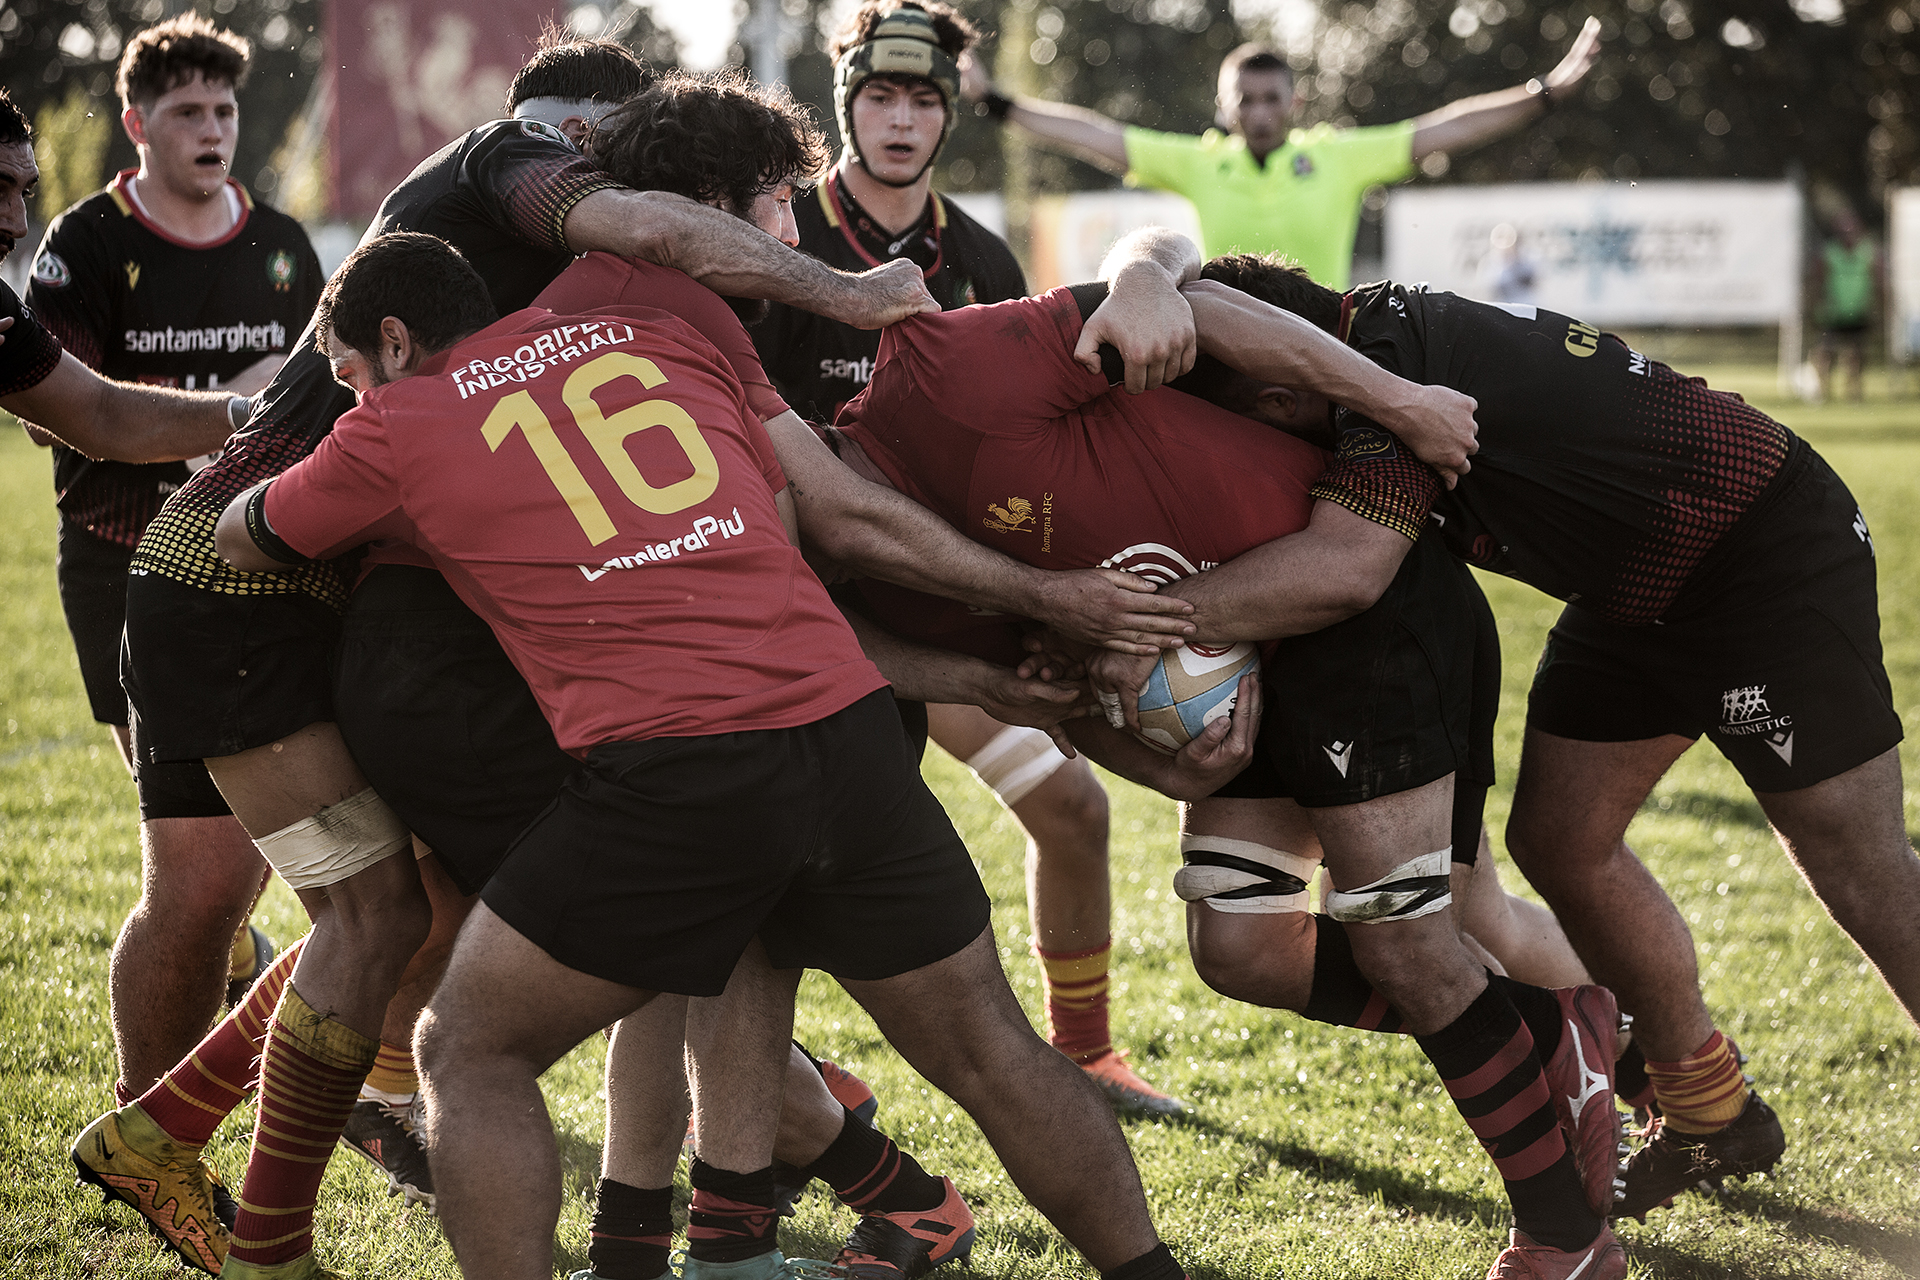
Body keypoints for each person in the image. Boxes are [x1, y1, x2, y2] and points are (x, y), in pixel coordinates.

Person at [217, 228, 1205, 1280]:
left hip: (680, 771)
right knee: (993, 1049)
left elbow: (243, 533)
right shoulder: (655, 337)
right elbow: (784, 529)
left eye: (349, 374)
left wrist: (295, 443)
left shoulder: (398, 420)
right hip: (849, 731)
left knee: (467, 1048)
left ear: (395, 341)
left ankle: (677, 1242)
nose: (354, 395)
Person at [832, 254, 1628, 1280]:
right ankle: (1550, 1027)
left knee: (1408, 947)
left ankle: (1564, 1235)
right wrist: (1169, 770)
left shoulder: (943, 374)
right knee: (1240, 950)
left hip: (1356, 608)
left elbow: (1182, 297)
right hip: (1247, 664)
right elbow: (1070, 692)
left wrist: (1388, 397)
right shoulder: (889, 594)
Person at [1142, 246, 1920, 1226]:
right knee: (1559, 840)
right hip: (1638, 591)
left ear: (1276, 394)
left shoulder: (1380, 381)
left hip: (1763, 553)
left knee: (1862, 868)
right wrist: (1142, 283)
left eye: (1227, 429)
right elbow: (1170, 259)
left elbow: (1345, 570)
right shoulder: (1368, 341)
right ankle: (1710, 1107)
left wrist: (1123, 625)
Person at [752, 0, 1176, 1114]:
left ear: (949, 114)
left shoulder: (978, 255)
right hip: (806, 606)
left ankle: (1088, 1053)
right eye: (880, 97)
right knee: (795, 858)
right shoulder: (780, 233)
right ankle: (771, 1082)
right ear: (846, 104)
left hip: (942, 590)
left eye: (923, 100)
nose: (900, 120)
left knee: (1075, 808)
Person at [24, 12, 320, 1105]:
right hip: (120, 561)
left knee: (222, 835)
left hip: (257, 563)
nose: (212, 129)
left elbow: (326, 388)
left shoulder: (283, 244)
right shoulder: (84, 246)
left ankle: (237, 966)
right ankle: (213, 983)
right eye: (188, 111)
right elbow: (59, 415)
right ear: (137, 122)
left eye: (225, 109)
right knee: (183, 830)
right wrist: (232, 405)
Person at [959, 19, 1601, 288]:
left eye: (1272, 99)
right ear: (1224, 107)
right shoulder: (1201, 162)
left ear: (1295, 103)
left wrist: (1544, 93)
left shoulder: (1338, 157)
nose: (1260, 113)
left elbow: (1446, 128)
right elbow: (1093, 133)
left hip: (1331, 348)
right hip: (1230, 353)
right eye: (1246, 100)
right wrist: (994, 101)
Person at [0, 90, 246, 489]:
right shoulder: (85, 237)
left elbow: (100, 413)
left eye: (23, 193)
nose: (18, 224)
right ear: (138, 125)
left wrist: (250, 410)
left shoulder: (1, 311)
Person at [1812, 208, 1882, 402]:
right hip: (1833, 312)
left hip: (1858, 310)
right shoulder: (1829, 253)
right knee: (1825, 351)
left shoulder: (1868, 252)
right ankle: (1823, 392)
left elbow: (1878, 281)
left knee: (1856, 354)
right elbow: (1818, 281)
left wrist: (1877, 309)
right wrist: (1817, 306)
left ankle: (1854, 393)